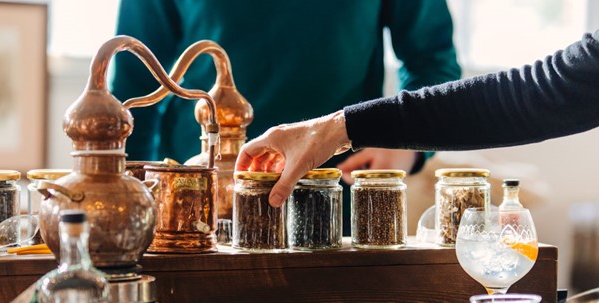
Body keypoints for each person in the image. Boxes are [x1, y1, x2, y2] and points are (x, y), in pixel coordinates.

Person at [109, 0, 461, 233]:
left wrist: (408, 143)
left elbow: (432, 61)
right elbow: (134, 82)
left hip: (331, 196)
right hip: (199, 197)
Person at [236, 30, 599, 208]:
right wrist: (341, 129)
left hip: (344, 180)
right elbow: (540, 91)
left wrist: (341, 130)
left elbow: (543, 92)